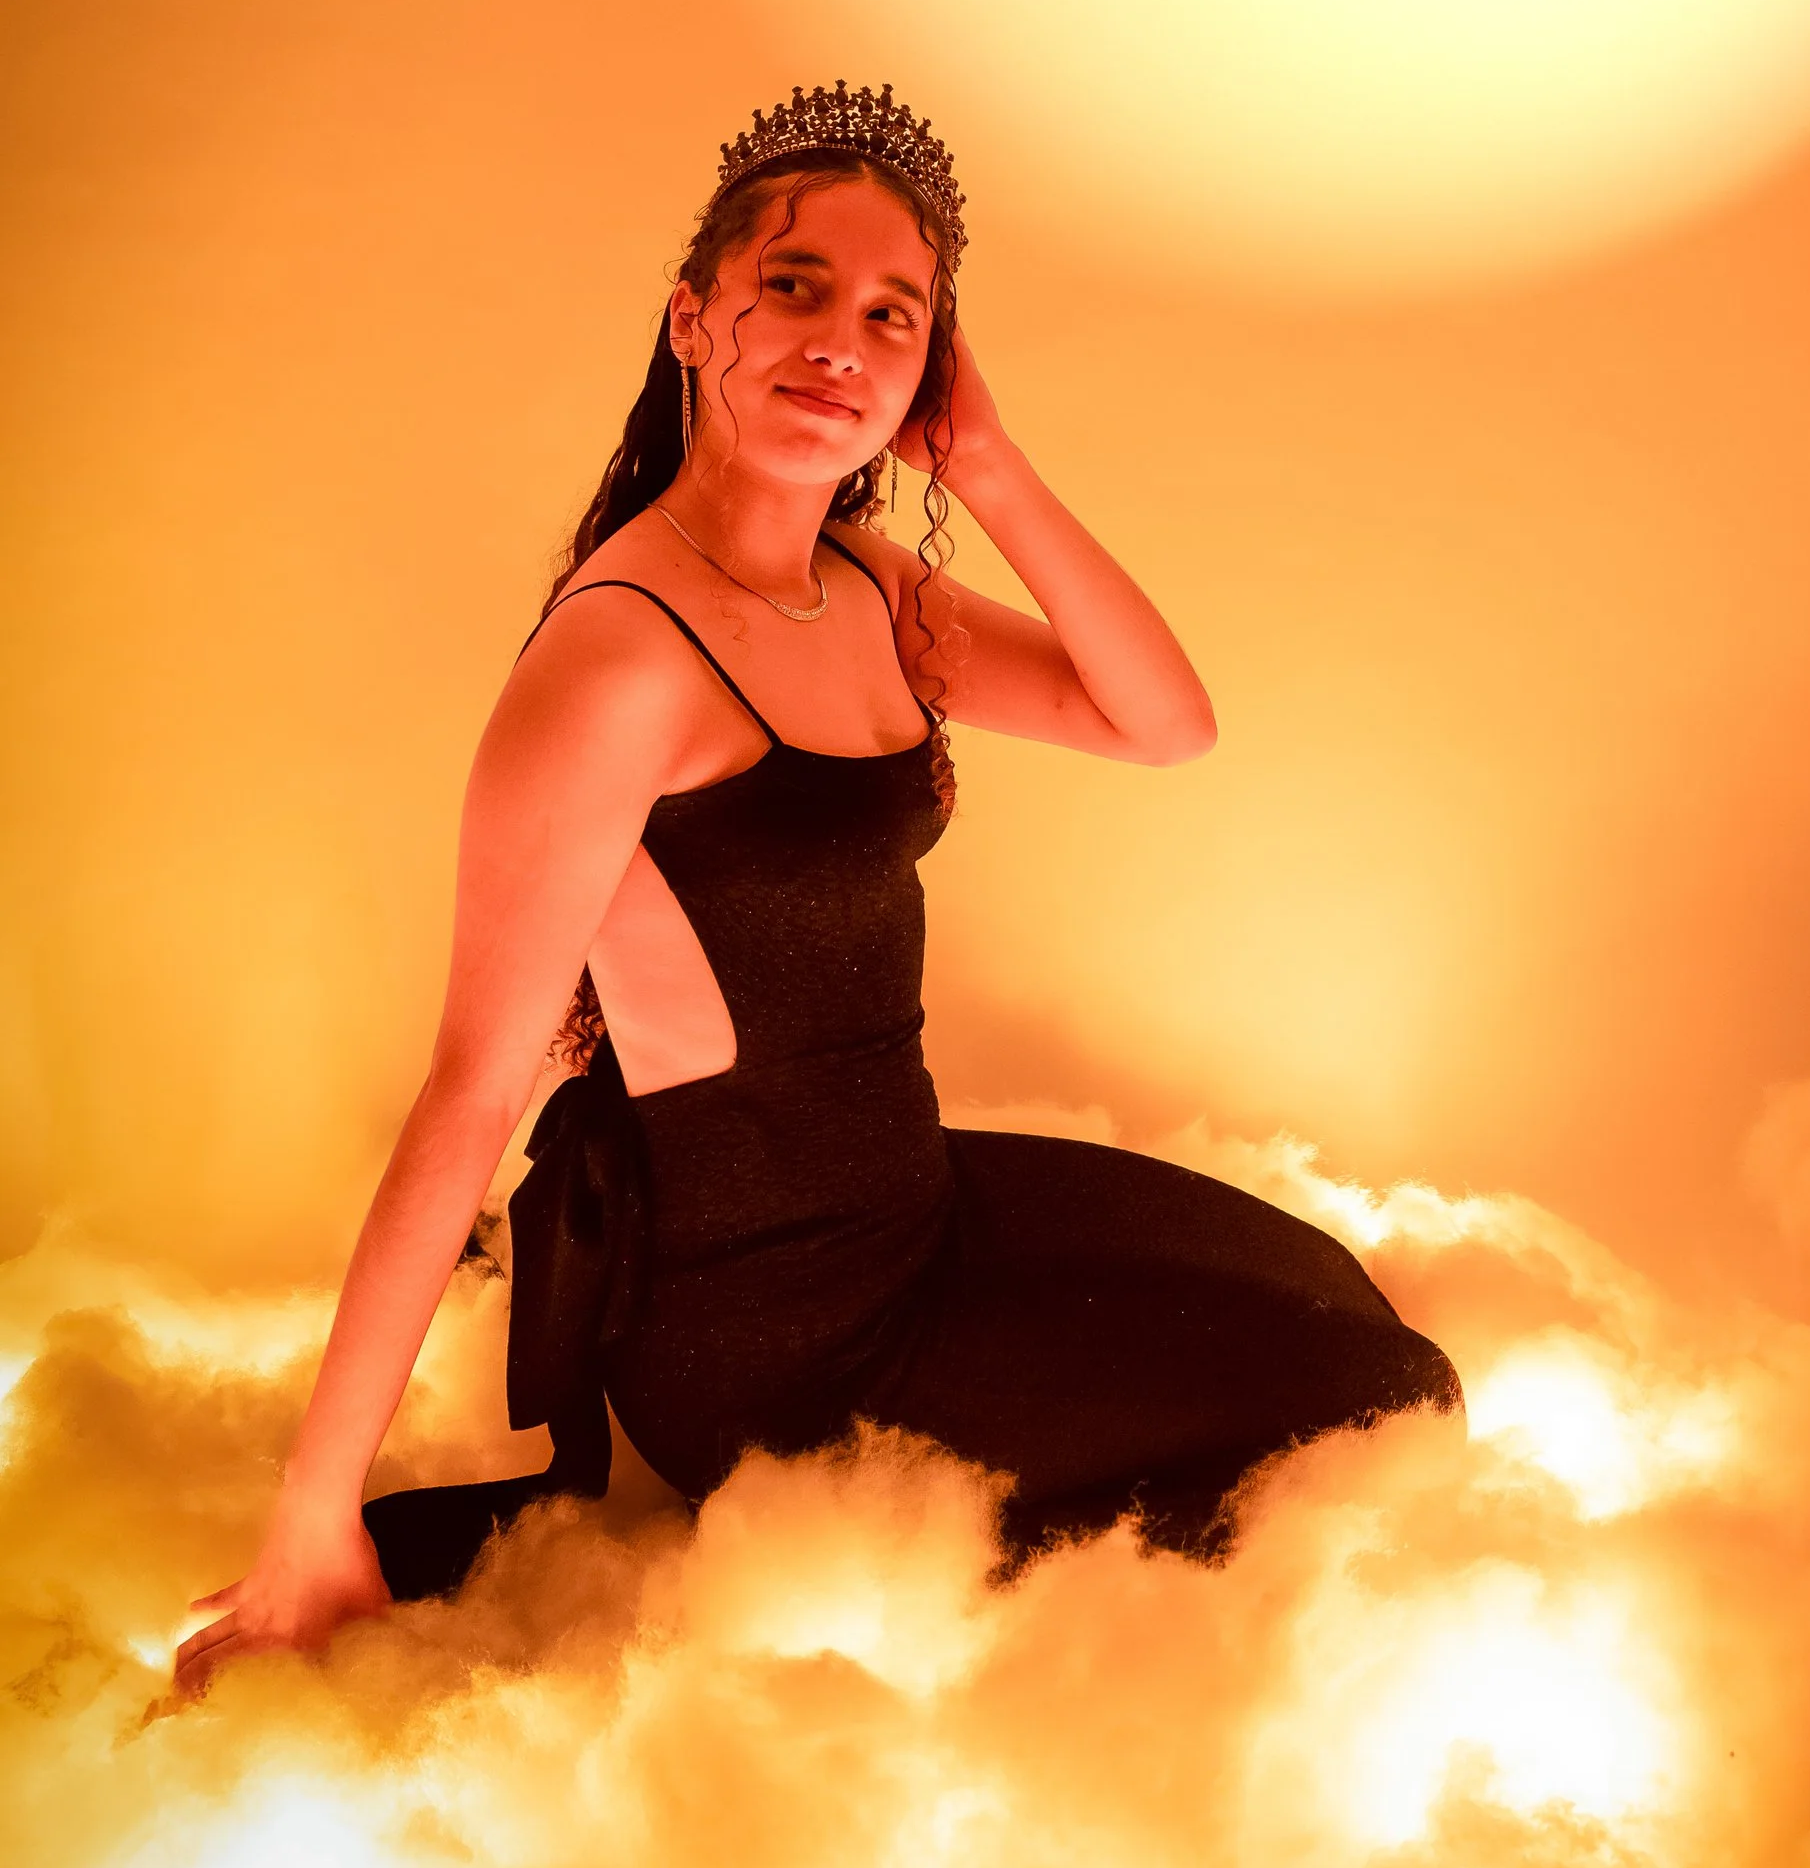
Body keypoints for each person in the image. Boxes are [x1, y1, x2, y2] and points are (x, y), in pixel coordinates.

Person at [178, 86, 1457, 1687]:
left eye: (889, 316)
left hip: (918, 1211)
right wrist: (313, 1520)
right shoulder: (621, 664)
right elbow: (468, 1094)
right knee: (1384, 1405)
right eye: (793, 287)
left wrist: (987, 464)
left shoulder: (857, 583)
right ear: (692, 320)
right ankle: (943, 1612)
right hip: (767, 1340)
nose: (839, 343)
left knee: (1340, 1302)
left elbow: (1161, 722)